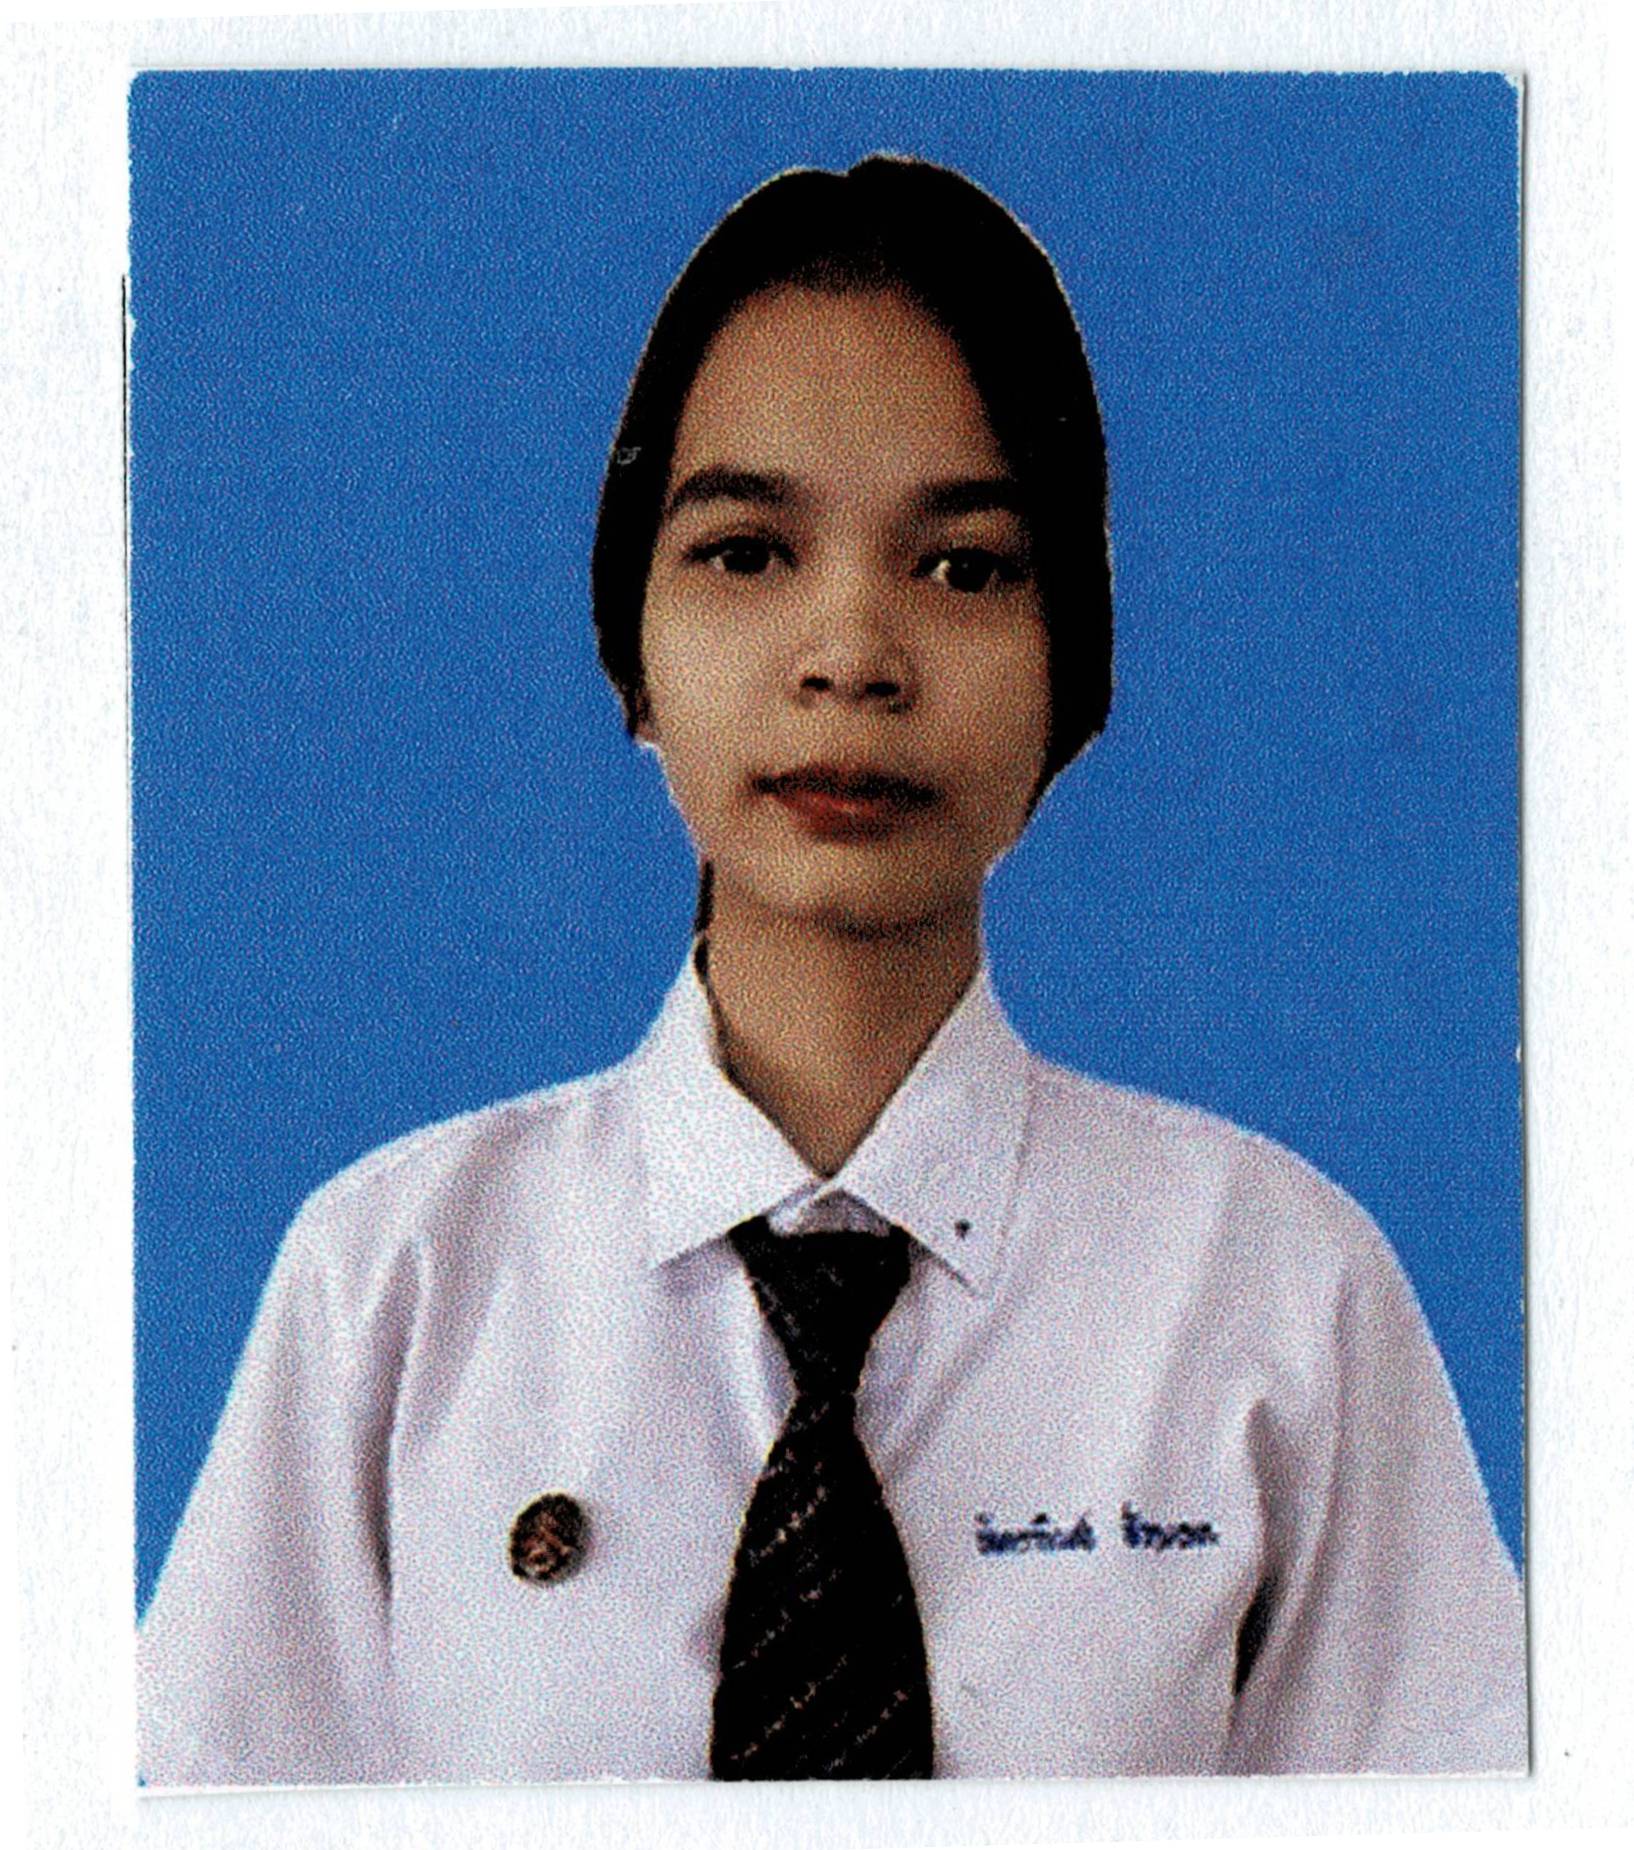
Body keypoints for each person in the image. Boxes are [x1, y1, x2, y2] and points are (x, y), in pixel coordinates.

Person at [138, 154, 1527, 1784]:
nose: (852, 655)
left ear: (1071, 666)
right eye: (745, 551)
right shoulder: (392, 1284)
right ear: (632, 650)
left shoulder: (1280, 1292)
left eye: (964, 567)